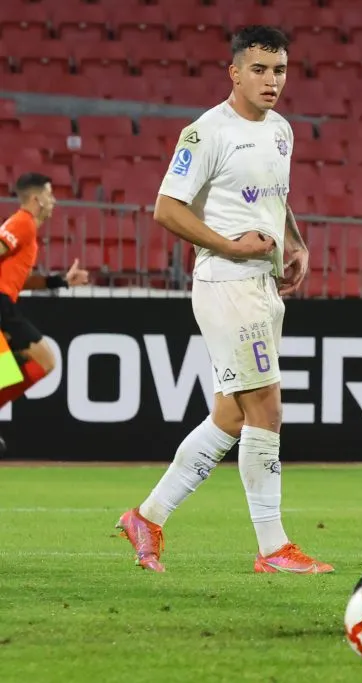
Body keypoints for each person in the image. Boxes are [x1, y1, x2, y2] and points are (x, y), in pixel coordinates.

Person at [116, 25, 331, 574]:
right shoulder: (205, 132)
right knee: (267, 409)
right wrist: (230, 245)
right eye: (259, 70)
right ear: (234, 73)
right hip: (226, 283)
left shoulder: (281, 130)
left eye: (279, 70)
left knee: (231, 416)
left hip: (261, 285)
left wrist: (294, 242)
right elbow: (167, 208)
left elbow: (274, 199)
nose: (271, 80)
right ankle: (273, 548)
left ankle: (147, 516)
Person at [0, 172, 90, 454]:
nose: (54, 201)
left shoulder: (26, 229)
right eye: (50, 195)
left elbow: (21, 280)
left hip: (5, 303)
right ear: (37, 199)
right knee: (41, 360)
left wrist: (60, 281)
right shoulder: (22, 222)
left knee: (22, 368)